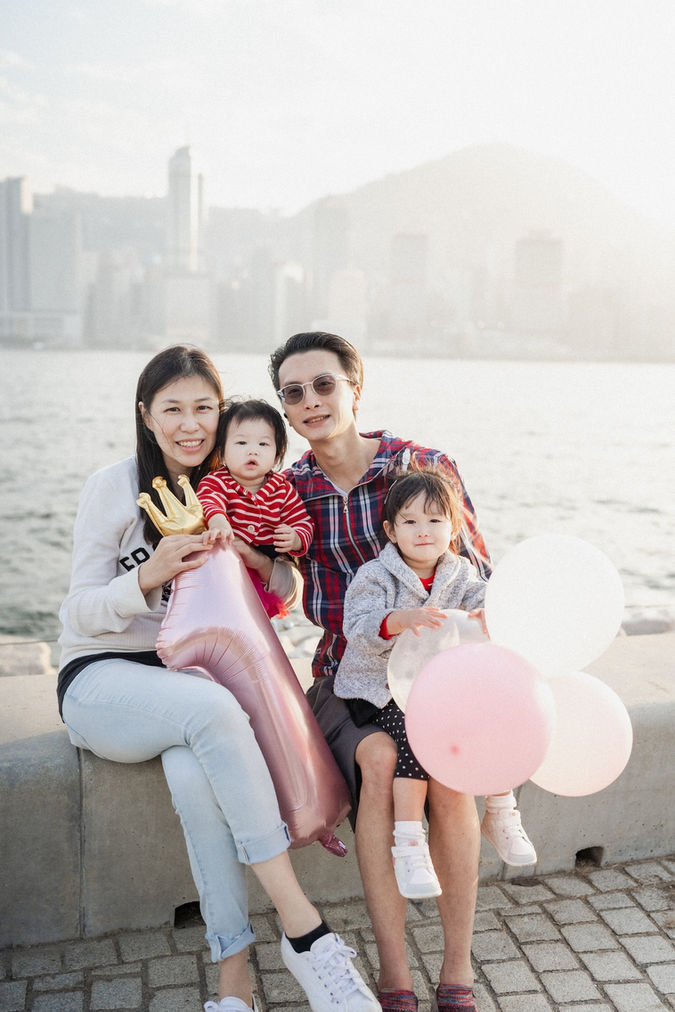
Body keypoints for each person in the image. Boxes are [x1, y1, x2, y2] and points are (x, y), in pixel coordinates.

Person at [57, 345, 381, 1012]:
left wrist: (262, 556)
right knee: (208, 711)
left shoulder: (235, 482)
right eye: (172, 409)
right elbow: (77, 609)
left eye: (204, 407)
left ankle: (232, 987)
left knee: (193, 782)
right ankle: (306, 931)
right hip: (101, 679)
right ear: (145, 416)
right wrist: (149, 574)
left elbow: (285, 588)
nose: (190, 424)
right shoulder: (114, 486)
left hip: (188, 683)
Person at [268, 331, 491, 1012]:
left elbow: (479, 573)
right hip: (346, 677)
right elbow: (265, 579)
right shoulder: (289, 491)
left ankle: (456, 972)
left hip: (434, 676)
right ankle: (394, 979)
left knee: (449, 778)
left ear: (354, 388)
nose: (310, 402)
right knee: (379, 760)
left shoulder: (419, 465)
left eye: (324, 385)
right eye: (293, 393)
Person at [334, 467, 536, 905]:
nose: (423, 531)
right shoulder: (375, 576)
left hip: (438, 686)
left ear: (453, 526)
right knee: (415, 730)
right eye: (409, 521)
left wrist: (491, 612)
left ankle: (500, 809)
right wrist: (398, 620)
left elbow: (484, 598)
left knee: (487, 713)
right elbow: (358, 626)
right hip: (377, 687)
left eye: (434, 520)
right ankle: (409, 841)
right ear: (390, 530)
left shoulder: (459, 573)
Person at [196, 398, 314, 618]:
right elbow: (209, 500)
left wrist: (296, 537)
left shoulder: (283, 489)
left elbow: (303, 521)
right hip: (225, 557)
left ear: (277, 455)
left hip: (266, 558)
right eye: (241, 443)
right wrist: (218, 520)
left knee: (257, 618)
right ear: (221, 452)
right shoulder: (217, 481)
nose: (253, 451)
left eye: (263, 444)